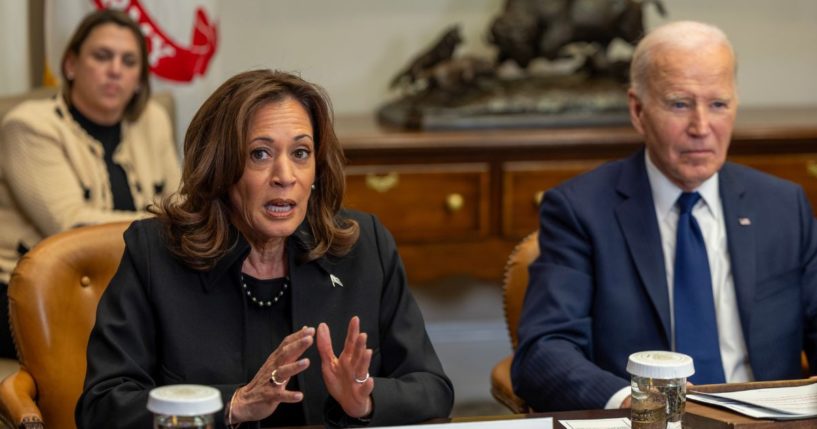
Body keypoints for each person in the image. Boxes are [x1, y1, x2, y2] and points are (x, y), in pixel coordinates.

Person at [75, 69, 454, 428]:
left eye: (301, 153)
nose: (285, 176)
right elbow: (102, 406)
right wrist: (235, 404)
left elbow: (432, 388)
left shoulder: (363, 246)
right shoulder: (155, 254)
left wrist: (364, 403)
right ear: (219, 165)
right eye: (260, 154)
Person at [511, 20, 817, 412]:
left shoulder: (782, 206)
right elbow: (543, 353)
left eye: (718, 104)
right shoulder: (580, 210)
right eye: (679, 104)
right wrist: (637, 406)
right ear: (638, 111)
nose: (701, 127)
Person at [0, 9, 180, 359]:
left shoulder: (152, 120)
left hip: (118, 285)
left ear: (140, 79)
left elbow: (182, 203)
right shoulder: (27, 126)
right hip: (27, 289)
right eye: (102, 56)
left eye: (129, 61)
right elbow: (69, 225)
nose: (115, 70)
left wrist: (178, 220)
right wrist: (165, 224)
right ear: (70, 65)